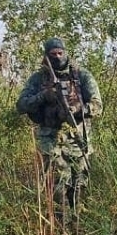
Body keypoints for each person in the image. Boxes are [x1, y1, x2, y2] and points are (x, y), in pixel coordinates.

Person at [17, 38, 103, 223]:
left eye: (60, 53)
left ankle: (78, 225)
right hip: (51, 139)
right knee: (57, 184)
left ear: (65, 52)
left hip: (77, 138)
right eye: (52, 54)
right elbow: (21, 105)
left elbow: (97, 105)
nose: (57, 57)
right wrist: (43, 97)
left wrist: (79, 109)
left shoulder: (82, 75)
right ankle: (60, 226)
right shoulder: (38, 79)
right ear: (46, 56)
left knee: (79, 183)